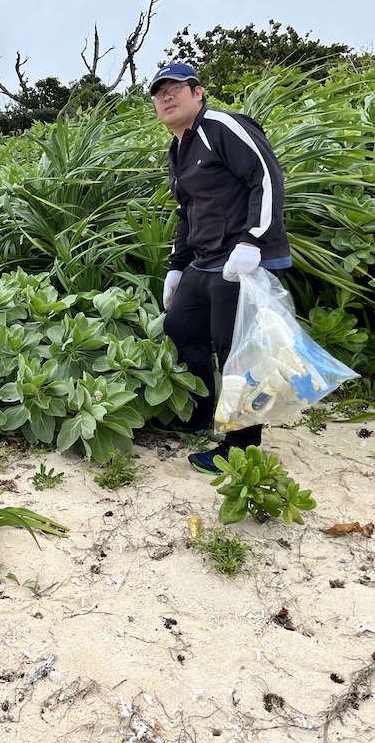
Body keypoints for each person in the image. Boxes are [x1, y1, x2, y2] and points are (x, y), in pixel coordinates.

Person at [151, 62, 292, 475]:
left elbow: (266, 178)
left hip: (244, 259)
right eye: (159, 93)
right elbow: (187, 211)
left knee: (236, 349)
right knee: (180, 327)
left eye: (176, 87)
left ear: (198, 92)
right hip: (205, 261)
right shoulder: (178, 150)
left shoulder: (221, 126)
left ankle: (240, 446)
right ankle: (202, 414)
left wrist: (252, 241)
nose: (167, 96)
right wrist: (177, 267)